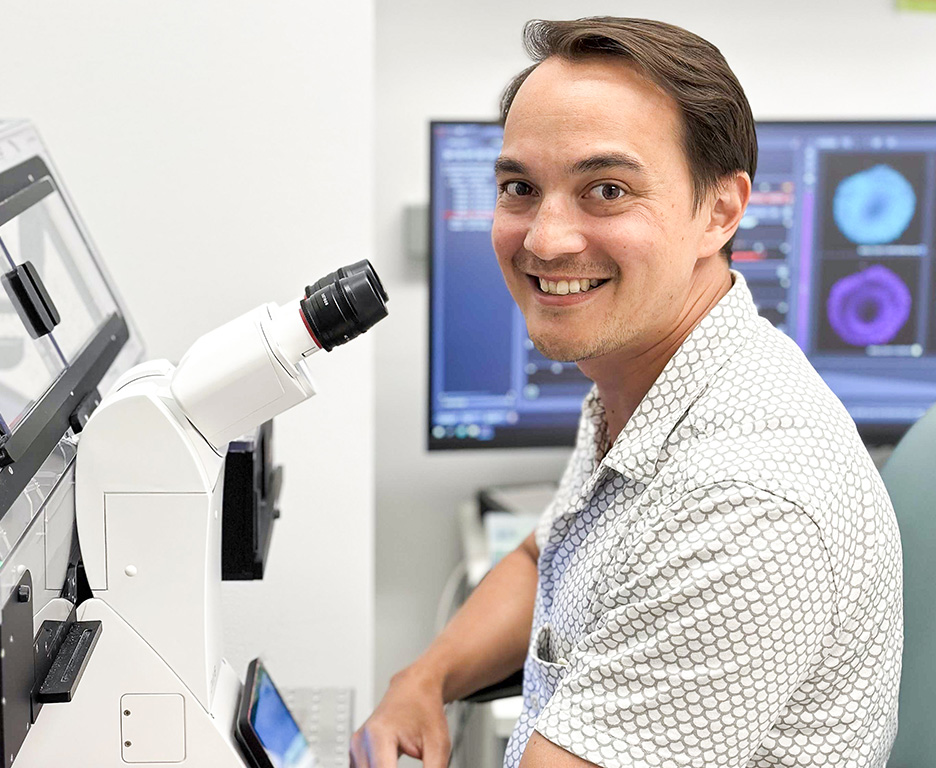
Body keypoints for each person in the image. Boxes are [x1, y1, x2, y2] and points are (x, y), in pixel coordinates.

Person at [352, 16, 902, 768]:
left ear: (721, 211)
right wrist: (426, 679)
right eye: (520, 187)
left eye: (606, 190)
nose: (545, 239)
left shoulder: (747, 507)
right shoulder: (648, 380)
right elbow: (547, 557)